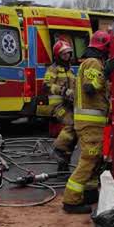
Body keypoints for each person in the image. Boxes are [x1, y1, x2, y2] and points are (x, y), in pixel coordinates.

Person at [62, 30, 114, 214]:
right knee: (88, 159)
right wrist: (106, 73)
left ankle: (90, 192)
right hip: (90, 122)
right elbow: (89, 88)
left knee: (95, 159)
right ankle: (71, 200)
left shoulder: (91, 62)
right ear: (104, 47)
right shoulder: (93, 62)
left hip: (90, 122)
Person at [45, 40, 77, 172]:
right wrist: (63, 90)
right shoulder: (53, 69)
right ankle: (56, 149)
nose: (67, 57)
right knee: (72, 124)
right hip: (57, 106)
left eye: (68, 54)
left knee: (75, 133)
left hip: (68, 104)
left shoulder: (69, 70)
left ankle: (63, 165)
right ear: (58, 56)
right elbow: (46, 85)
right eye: (64, 54)